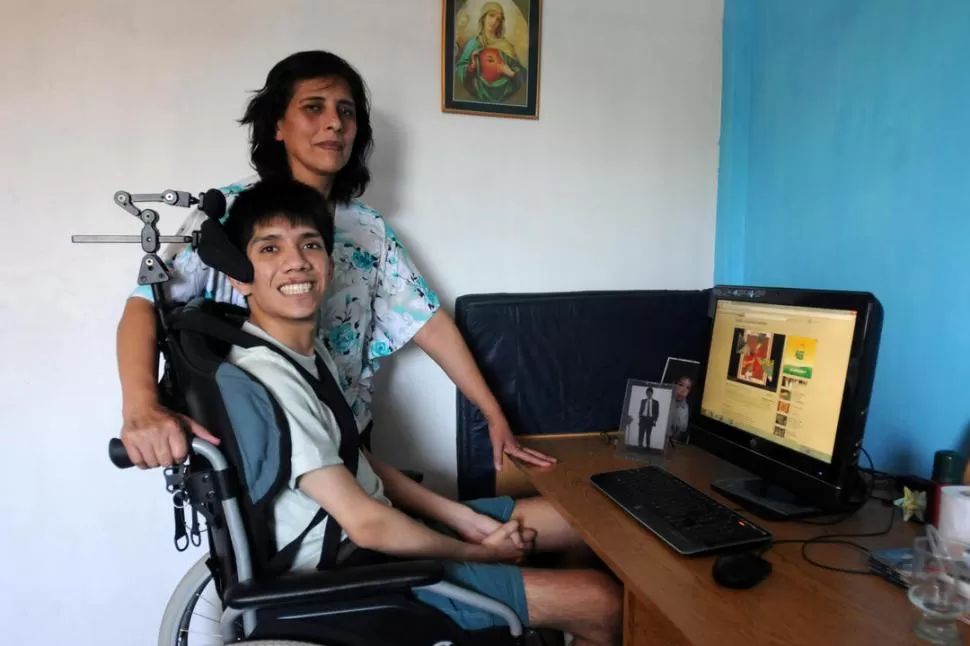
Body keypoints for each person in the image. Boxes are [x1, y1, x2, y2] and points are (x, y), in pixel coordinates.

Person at [219, 179, 622, 644]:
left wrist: (461, 519)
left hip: (381, 531)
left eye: (310, 244)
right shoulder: (270, 378)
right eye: (270, 248)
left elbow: (356, 461)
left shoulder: (305, 353)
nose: (296, 261)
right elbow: (367, 526)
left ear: (329, 263)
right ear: (238, 273)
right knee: (602, 601)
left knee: (581, 521)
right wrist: (483, 554)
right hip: (353, 572)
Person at [115, 50, 554, 473]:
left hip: (347, 439)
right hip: (258, 445)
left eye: (346, 112)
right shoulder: (228, 213)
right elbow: (144, 305)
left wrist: (493, 412)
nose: (334, 123)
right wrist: (141, 407)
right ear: (278, 126)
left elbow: (427, 320)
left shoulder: (367, 230)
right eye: (314, 107)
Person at [455, 2, 526, 103]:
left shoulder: (506, 46)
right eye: (491, 15)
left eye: (498, 19)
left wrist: (510, 73)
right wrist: (471, 67)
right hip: (476, 95)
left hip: (505, 96)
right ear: (483, 17)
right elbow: (459, 71)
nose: (494, 22)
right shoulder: (474, 44)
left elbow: (523, 75)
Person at [670, 376, 692, 443]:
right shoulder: (664, 398)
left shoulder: (685, 408)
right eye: (681, 385)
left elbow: (679, 432)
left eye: (687, 388)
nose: (683, 390)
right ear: (674, 384)